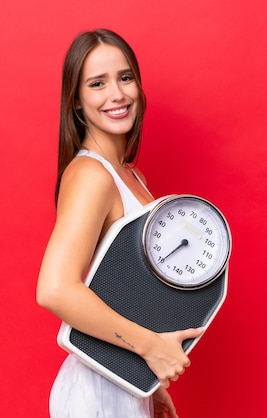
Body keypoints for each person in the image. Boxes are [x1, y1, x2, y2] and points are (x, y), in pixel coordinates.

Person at [36, 29, 204, 418]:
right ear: (77, 102)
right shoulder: (91, 176)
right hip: (94, 393)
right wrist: (151, 348)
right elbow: (55, 289)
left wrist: (147, 383)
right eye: (97, 84)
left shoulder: (133, 176)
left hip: (122, 383)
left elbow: (127, 293)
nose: (117, 94)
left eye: (125, 77)